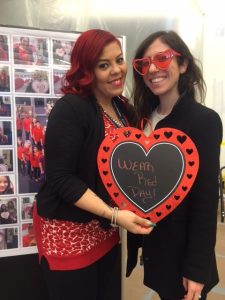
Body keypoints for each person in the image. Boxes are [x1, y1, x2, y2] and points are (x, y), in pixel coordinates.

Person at [33, 29, 153, 300]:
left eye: (119, 60)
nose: (116, 70)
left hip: (105, 232)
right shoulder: (71, 108)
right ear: (86, 70)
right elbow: (61, 178)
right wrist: (113, 215)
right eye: (103, 65)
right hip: (68, 236)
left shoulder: (123, 108)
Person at [126, 30, 223, 300]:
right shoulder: (142, 120)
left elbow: (206, 201)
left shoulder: (203, 121)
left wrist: (196, 269)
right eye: (144, 64)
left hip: (184, 252)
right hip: (155, 245)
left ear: (183, 65)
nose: (152, 68)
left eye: (162, 58)